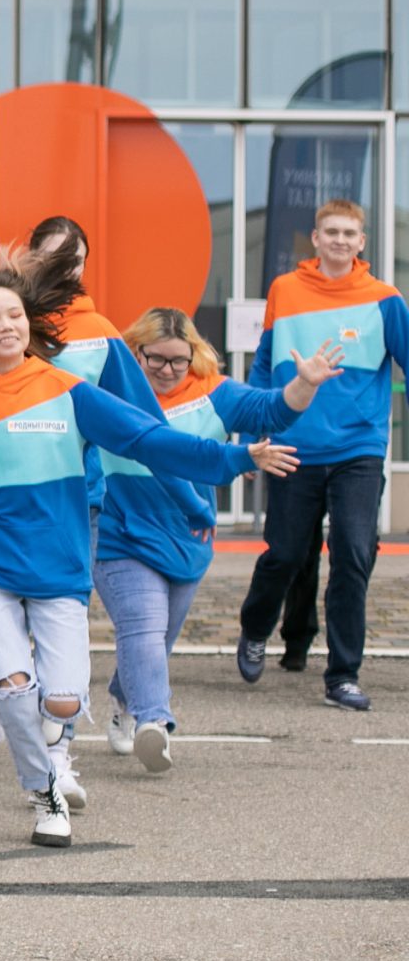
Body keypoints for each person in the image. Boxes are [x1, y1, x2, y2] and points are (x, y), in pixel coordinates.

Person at [0, 268, 296, 847]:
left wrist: (236, 459)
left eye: (14, 315)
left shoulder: (68, 391)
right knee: (17, 689)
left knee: (63, 699)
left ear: (29, 326)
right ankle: (44, 791)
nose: (6, 325)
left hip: (60, 571)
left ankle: (12, 701)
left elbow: (149, 440)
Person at [106, 309, 339, 770]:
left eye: (179, 360)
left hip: (187, 536)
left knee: (157, 637)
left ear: (194, 355)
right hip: (120, 533)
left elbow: (272, 410)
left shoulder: (214, 393)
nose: (169, 370)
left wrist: (305, 384)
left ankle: (124, 698)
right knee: (144, 625)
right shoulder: (110, 394)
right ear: (136, 352)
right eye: (157, 359)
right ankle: (154, 722)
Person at [237, 198, 409, 712]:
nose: (339, 240)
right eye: (331, 231)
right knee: (285, 554)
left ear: (361, 242)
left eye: (349, 233)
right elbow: (264, 366)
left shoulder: (385, 300)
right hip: (293, 444)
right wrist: (249, 435)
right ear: (315, 239)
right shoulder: (285, 290)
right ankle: (255, 628)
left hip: (359, 448)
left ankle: (342, 675)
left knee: (353, 553)